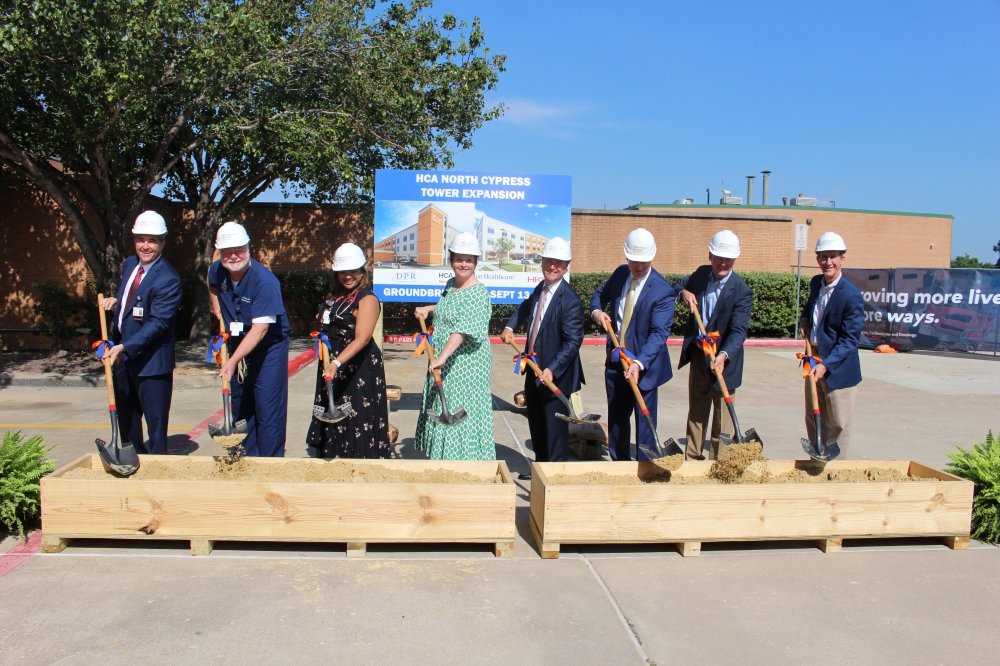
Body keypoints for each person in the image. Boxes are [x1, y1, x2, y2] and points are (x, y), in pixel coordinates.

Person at [99, 210, 182, 454]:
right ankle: (133, 461)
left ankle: (157, 471)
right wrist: (118, 301)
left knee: (155, 425)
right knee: (127, 419)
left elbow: (158, 323)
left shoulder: (169, 279)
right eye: (140, 239)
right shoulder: (129, 264)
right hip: (124, 358)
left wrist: (123, 347)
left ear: (162, 243)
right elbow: (134, 297)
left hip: (152, 363)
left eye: (152, 240)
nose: (145, 246)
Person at [590, 228, 676, 461]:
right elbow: (599, 295)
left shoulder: (662, 291)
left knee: (645, 423)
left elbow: (659, 334)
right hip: (617, 361)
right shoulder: (620, 274)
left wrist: (639, 363)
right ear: (627, 256)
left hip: (644, 367)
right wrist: (597, 312)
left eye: (644, 262)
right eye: (634, 261)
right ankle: (620, 464)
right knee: (617, 418)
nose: (638, 267)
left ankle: (645, 466)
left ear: (652, 257)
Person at [207, 221, 290, 457]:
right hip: (238, 342)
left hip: (268, 347)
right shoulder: (218, 269)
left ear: (248, 248)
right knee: (241, 402)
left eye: (239, 250)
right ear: (220, 252)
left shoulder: (265, 282)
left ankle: (270, 462)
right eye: (227, 252)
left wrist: (232, 362)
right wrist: (217, 308)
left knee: (266, 405)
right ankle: (245, 457)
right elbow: (211, 281)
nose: (234, 256)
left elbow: (260, 330)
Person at [500, 238, 584, 465]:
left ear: (566, 267)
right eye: (549, 261)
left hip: (555, 377)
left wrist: (553, 369)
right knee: (537, 426)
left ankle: (553, 479)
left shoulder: (570, 300)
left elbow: (573, 341)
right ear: (543, 262)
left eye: (558, 263)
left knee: (555, 433)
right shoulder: (542, 288)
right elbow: (526, 307)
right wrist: (510, 326)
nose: (552, 266)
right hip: (533, 372)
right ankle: (540, 469)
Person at [413, 232, 494, 460]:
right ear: (451, 261)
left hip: (465, 363)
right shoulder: (451, 285)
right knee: (442, 402)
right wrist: (429, 310)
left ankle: (464, 460)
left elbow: (461, 330)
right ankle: (442, 458)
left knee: (460, 406)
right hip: (445, 357)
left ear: (476, 262)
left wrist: (442, 357)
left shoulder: (478, 294)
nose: (463, 264)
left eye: (469, 260)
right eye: (459, 259)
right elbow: (447, 307)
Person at [672, 230, 753, 460]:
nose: (723, 263)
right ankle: (692, 459)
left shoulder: (741, 291)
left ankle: (718, 464)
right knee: (697, 412)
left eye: (728, 259)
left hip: (724, 361)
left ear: (735, 259)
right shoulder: (701, 274)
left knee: (722, 420)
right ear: (710, 255)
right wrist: (684, 293)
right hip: (699, 356)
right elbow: (676, 286)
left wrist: (724, 355)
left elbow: (738, 331)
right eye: (718, 257)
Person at [306, 243, 390, 459]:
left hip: (356, 366)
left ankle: (358, 460)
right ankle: (334, 454)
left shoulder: (367, 298)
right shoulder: (334, 297)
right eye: (343, 271)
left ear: (363, 271)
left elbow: (362, 338)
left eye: (353, 271)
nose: (348, 276)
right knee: (333, 409)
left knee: (355, 414)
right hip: (332, 362)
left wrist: (336, 363)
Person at [799, 232, 865, 458]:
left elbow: (849, 341)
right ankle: (816, 462)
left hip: (838, 367)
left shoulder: (851, 296)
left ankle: (836, 472)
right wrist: (805, 319)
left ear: (842, 259)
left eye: (833, 257)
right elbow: (811, 307)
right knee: (814, 416)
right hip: (813, 358)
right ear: (817, 259)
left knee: (837, 424)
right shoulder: (816, 282)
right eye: (823, 257)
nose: (828, 262)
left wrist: (826, 366)